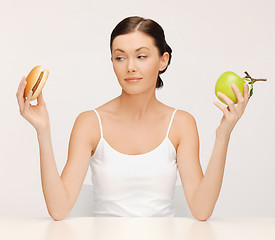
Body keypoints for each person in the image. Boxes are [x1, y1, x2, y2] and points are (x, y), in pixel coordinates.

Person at [16, 16, 249, 221]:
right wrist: (43, 132)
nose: (130, 67)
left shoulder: (181, 124)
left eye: (141, 56)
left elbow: (202, 210)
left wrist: (223, 135)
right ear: (112, 62)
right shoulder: (89, 123)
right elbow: (58, 209)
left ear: (163, 60)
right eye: (120, 58)